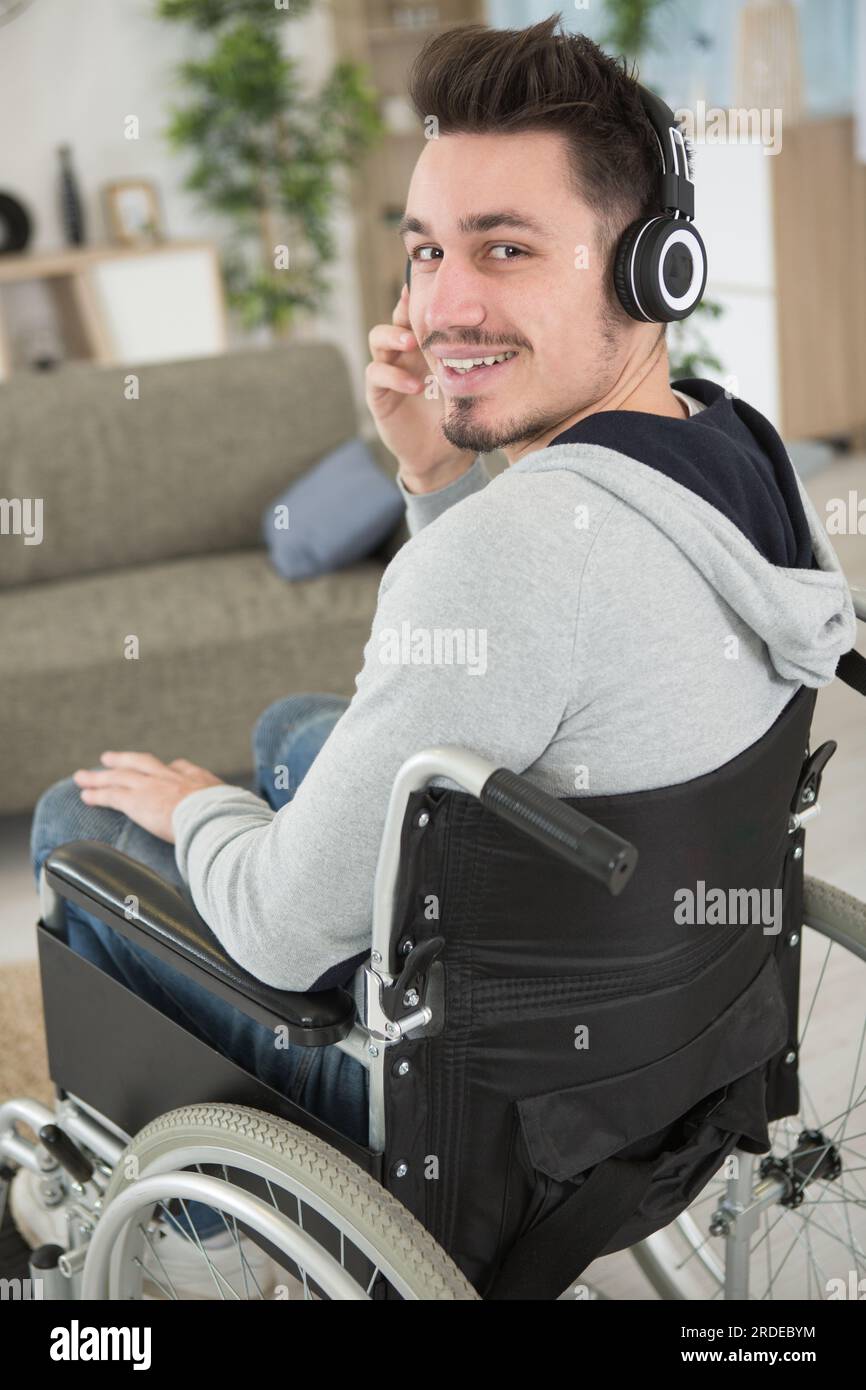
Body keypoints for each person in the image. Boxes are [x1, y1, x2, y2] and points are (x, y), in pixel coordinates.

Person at [22, 14, 856, 1284]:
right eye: (424, 251)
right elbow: (526, 654)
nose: (441, 305)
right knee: (299, 731)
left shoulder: (515, 551)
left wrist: (204, 813)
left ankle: (177, 1218)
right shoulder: (739, 452)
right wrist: (432, 477)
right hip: (678, 1037)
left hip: (483, 1138)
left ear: (651, 270)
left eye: (504, 249)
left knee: (76, 824)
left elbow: (277, 930)